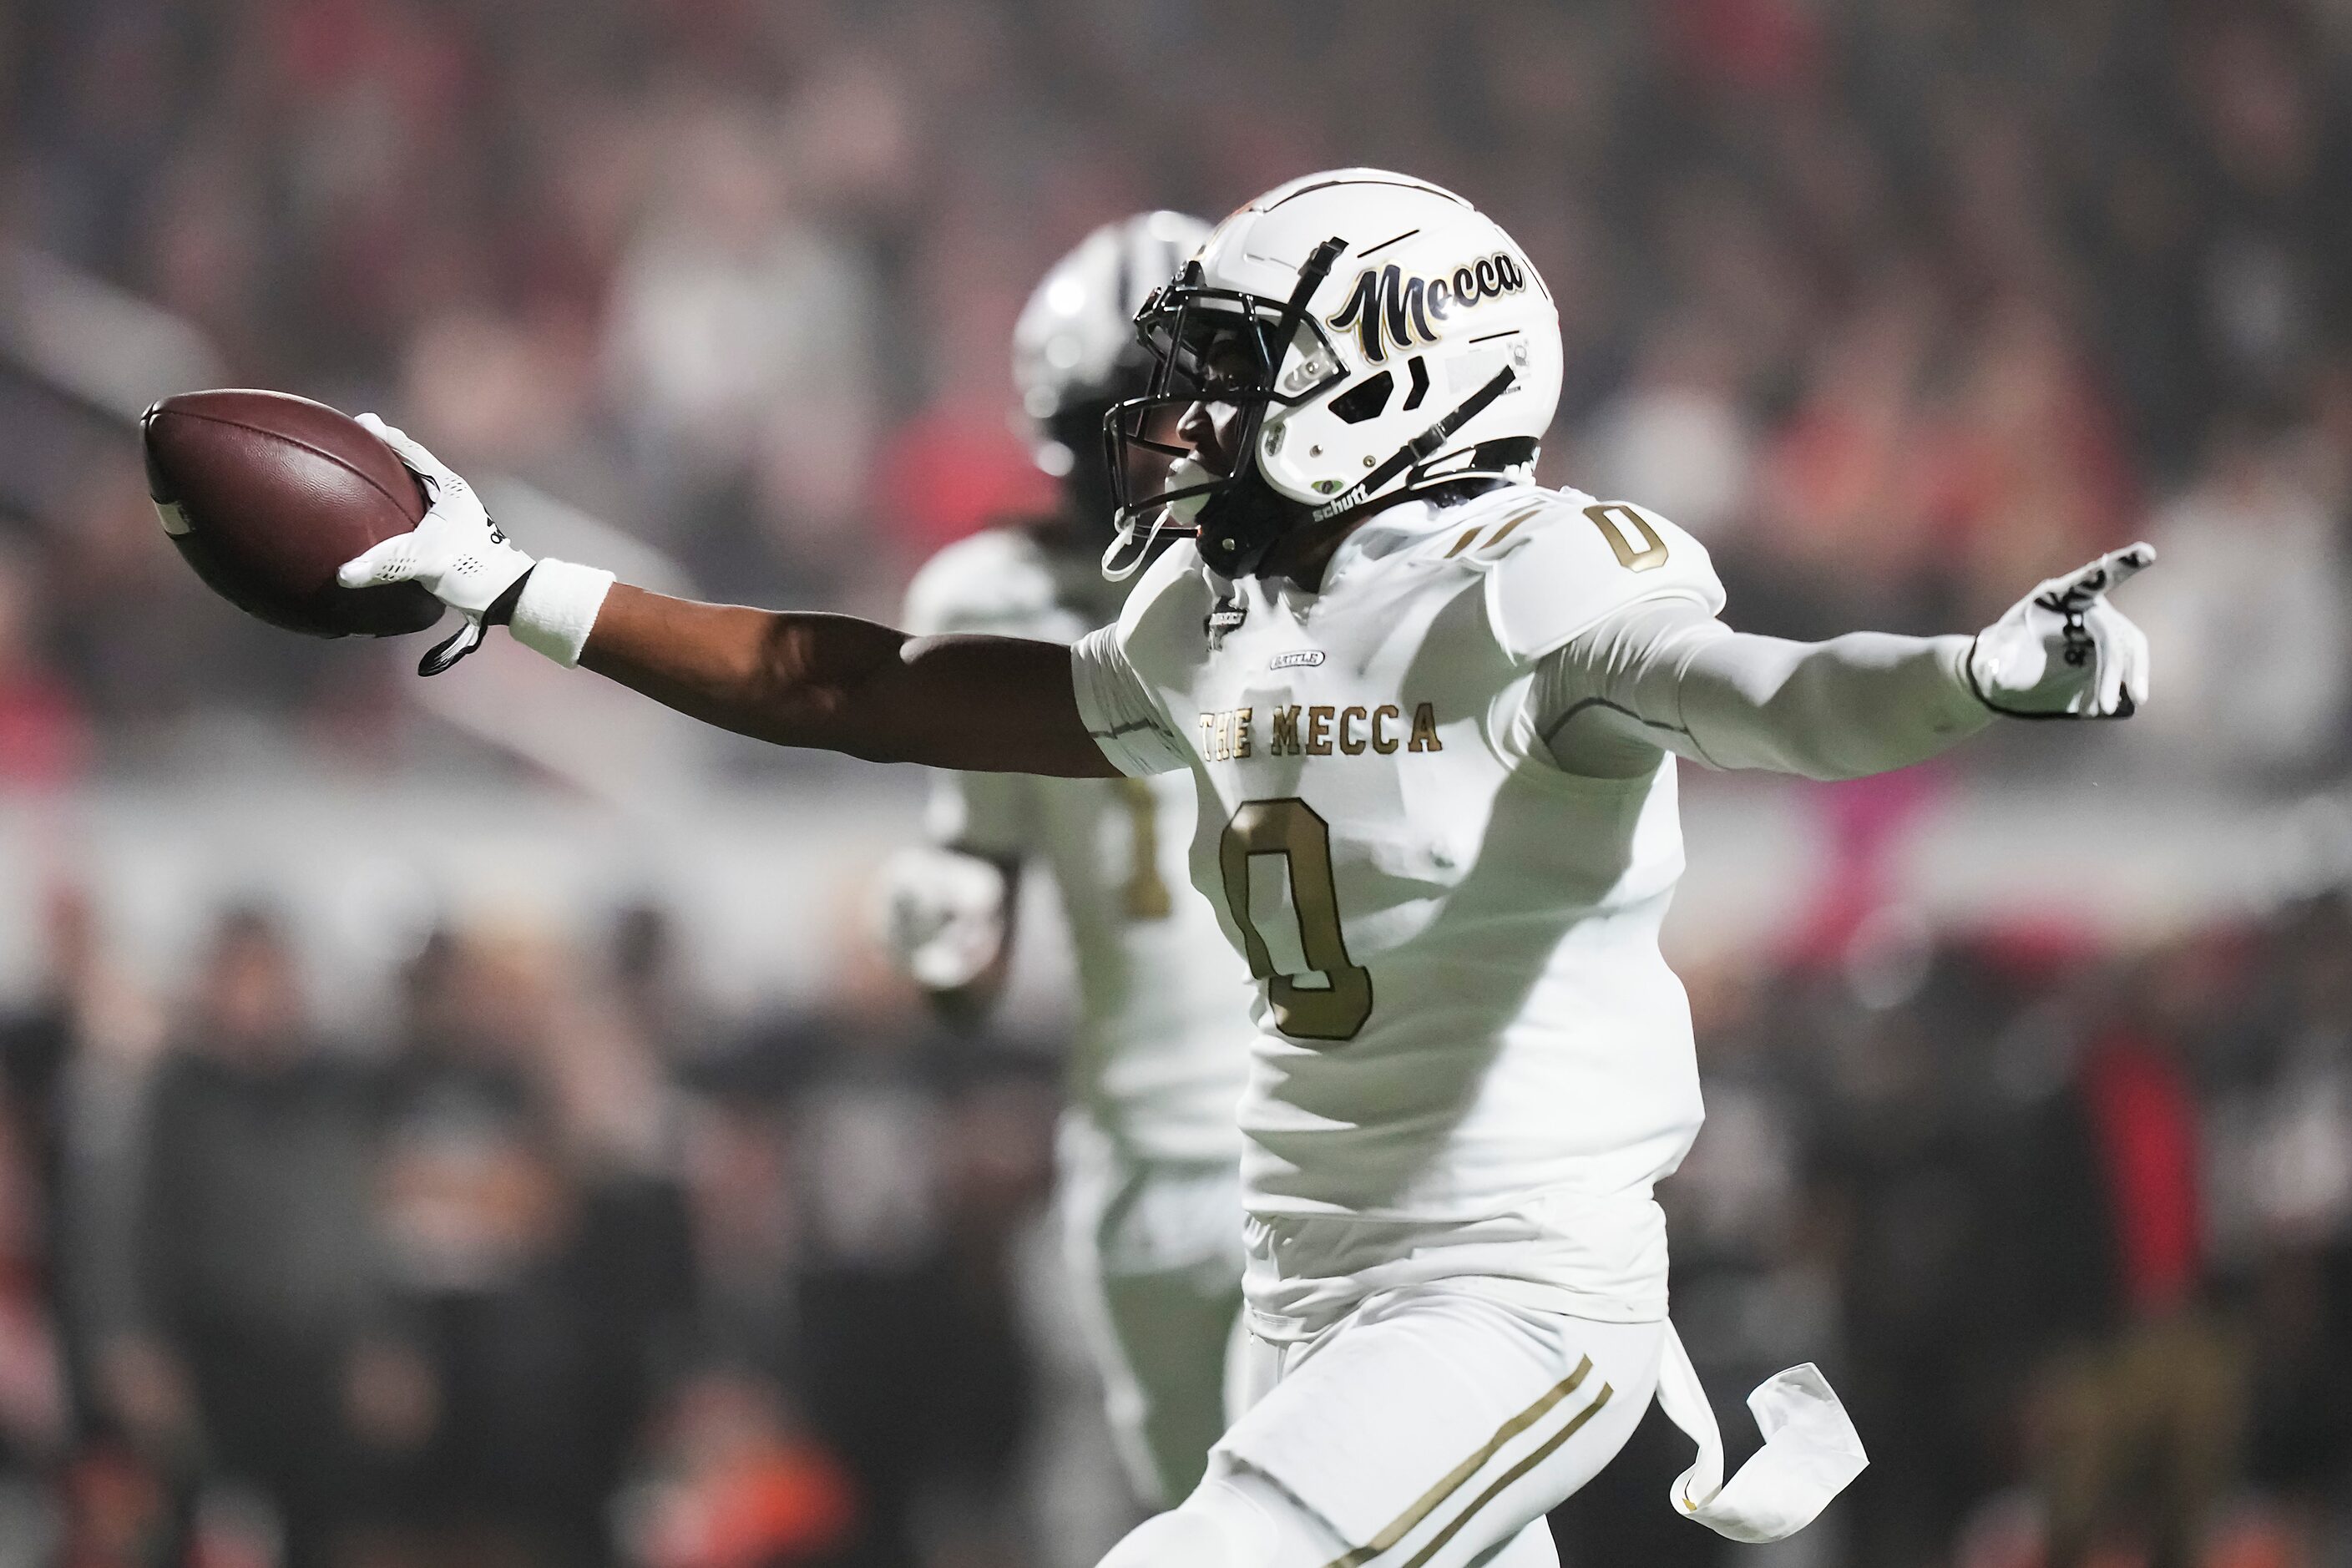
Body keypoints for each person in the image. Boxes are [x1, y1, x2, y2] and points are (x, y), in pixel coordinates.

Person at [334, 169, 2154, 1568]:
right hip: (1305, 1277)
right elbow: (863, 689)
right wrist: (516, 589)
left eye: (1232, 371)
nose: (1172, 416)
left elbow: (1775, 703)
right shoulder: (1213, 616)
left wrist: (1975, 675)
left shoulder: (1530, 587)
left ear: (1390, 380)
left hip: (1503, 1292)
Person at [878, 210, 1256, 1512]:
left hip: (1326, 1156)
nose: (1161, 448)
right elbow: (971, 914)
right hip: (1131, 1161)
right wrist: (946, 926)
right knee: (1165, 1517)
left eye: (1188, 409)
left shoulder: (1339, 593)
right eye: (1127, 416)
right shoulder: (989, 606)